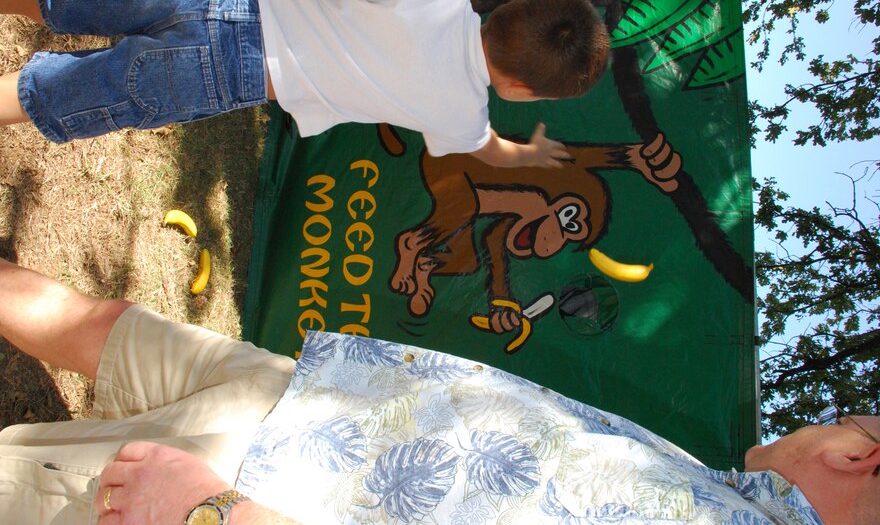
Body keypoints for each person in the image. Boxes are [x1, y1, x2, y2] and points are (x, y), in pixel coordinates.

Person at [0, 257, 878, 525]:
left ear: (858, 451)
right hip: (312, 404)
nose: (827, 418)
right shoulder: (729, 501)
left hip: (254, 486)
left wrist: (212, 515)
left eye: (845, 412)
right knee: (100, 323)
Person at [0, 0, 610, 169]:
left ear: (509, 9)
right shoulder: (462, 115)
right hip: (227, 74)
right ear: (524, 90)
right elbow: (490, 153)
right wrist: (529, 155)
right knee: (51, 98)